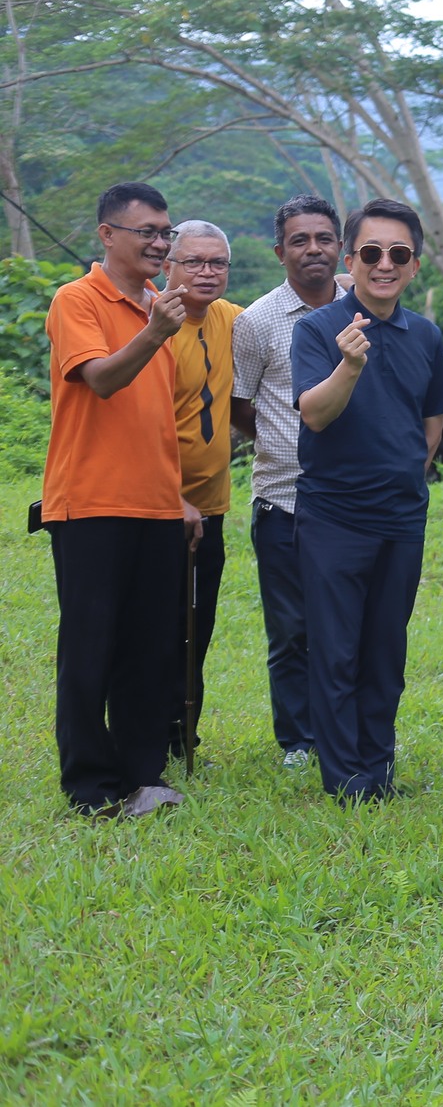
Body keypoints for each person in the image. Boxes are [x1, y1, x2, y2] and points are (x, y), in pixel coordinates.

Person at [293, 197, 443, 802]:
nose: (383, 265)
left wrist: (407, 472)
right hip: (333, 516)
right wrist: (348, 365)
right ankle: (345, 780)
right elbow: (314, 413)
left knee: (386, 649)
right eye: (370, 253)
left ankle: (378, 767)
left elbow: (433, 419)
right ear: (348, 257)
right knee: (336, 650)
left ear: (415, 264)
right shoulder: (318, 329)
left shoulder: (425, 334)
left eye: (398, 254)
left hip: (401, 516)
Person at [43, 181, 192, 818]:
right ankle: (91, 784)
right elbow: (102, 380)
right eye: (147, 233)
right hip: (91, 503)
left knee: (151, 647)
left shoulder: (160, 304)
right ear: (107, 235)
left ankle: (142, 773)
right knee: (91, 645)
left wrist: (179, 495)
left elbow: (157, 416)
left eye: (166, 233)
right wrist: (155, 333)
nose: (160, 243)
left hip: (157, 504)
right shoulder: (76, 299)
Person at [230, 194, 346, 770]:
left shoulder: (363, 309)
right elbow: (238, 402)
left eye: (323, 238)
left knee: (352, 625)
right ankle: (299, 741)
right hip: (284, 500)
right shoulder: (255, 322)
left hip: (354, 501)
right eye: (299, 241)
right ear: (280, 252)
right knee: (293, 629)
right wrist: (281, 440)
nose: (313, 250)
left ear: (340, 246)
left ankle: (351, 729)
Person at [161, 220, 241, 765]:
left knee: (199, 626)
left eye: (217, 263)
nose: (207, 273)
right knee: (156, 628)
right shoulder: (152, 324)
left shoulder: (233, 320)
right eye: (194, 262)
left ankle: (183, 738)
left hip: (209, 507)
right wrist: (172, 496)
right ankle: (145, 737)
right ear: (168, 265)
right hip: (153, 507)